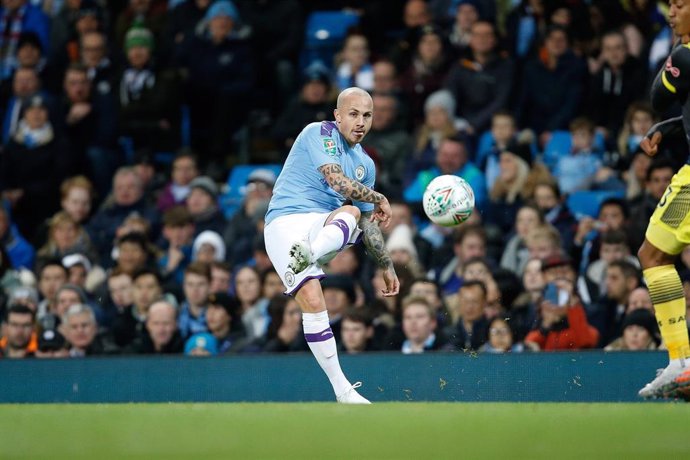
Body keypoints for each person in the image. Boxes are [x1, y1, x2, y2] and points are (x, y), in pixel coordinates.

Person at [263, 87, 400, 404]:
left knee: (353, 213)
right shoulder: (319, 132)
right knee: (313, 296)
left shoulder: (366, 164)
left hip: (321, 226)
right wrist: (378, 197)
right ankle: (342, 388)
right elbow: (336, 181)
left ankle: (312, 254)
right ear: (337, 116)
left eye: (367, 115)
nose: (360, 122)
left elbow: (368, 224)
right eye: (353, 114)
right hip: (286, 223)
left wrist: (386, 264)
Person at [636, 0, 690, 399]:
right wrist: (669, 128)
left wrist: (677, 52)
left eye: (680, 5)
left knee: (653, 256)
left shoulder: (685, 55)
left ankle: (682, 362)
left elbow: (658, 95)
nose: (671, 13)